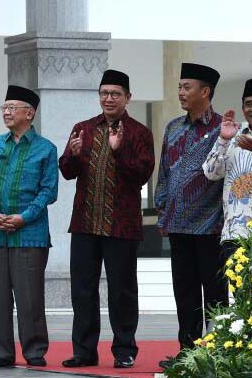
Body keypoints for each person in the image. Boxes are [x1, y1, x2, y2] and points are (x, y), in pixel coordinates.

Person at [59, 69, 154, 369]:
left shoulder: (139, 133)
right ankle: (84, 351)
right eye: (104, 93)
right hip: (85, 223)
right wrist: (73, 155)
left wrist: (119, 150)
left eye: (115, 94)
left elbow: (142, 174)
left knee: (122, 290)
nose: (109, 99)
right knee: (83, 290)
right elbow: (66, 171)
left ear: (128, 97)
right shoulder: (83, 128)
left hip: (121, 226)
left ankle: (124, 349)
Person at [0, 85, 58, 369]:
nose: (7, 112)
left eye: (13, 107)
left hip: (30, 234)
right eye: (4, 107)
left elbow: (49, 191)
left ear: (30, 113)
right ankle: (2, 352)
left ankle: (34, 351)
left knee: (29, 298)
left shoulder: (46, 149)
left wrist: (24, 217)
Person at [155, 63, 224, 368]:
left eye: (187, 87)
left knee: (215, 294)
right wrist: (161, 210)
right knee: (184, 293)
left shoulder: (223, 128)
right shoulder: (173, 128)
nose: (181, 93)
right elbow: (164, 173)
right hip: (178, 225)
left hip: (211, 226)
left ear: (205, 91)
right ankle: (188, 353)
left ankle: (219, 352)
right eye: (180, 87)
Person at [203, 78, 252, 251]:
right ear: (243, 108)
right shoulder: (233, 135)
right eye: (249, 104)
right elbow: (211, 173)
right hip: (234, 235)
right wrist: (223, 139)